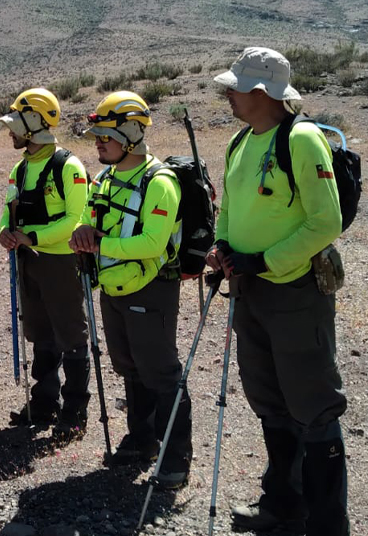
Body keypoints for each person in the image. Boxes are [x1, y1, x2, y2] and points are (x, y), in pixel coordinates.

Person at [207, 47, 349, 535]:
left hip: (294, 292)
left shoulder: (302, 139)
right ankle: (284, 507)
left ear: (263, 92)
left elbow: (325, 221)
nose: (228, 94)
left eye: (235, 87)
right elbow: (228, 206)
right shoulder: (239, 141)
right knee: (270, 400)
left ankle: (328, 524)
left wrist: (264, 261)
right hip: (250, 290)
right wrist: (223, 247)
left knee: (313, 405)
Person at [69, 91, 191, 489]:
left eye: (106, 134)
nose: (98, 141)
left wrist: (99, 243)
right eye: (97, 135)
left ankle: (175, 460)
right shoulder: (104, 179)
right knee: (130, 367)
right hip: (113, 289)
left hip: (150, 290)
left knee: (161, 372)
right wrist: (81, 233)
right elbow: (86, 221)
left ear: (133, 133)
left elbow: (154, 244)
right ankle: (142, 441)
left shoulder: (161, 182)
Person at [0, 88, 90, 438]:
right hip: (28, 262)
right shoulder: (20, 169)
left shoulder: (69, 166)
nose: (11, 132)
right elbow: (10, 211)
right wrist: (7, 232)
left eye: (16, 125)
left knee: (71, 336)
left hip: (61, 264)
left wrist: (30, 237)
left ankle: (75, 412)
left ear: (35, 124)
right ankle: (45, 401)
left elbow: (75, 221)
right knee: (41, 334)